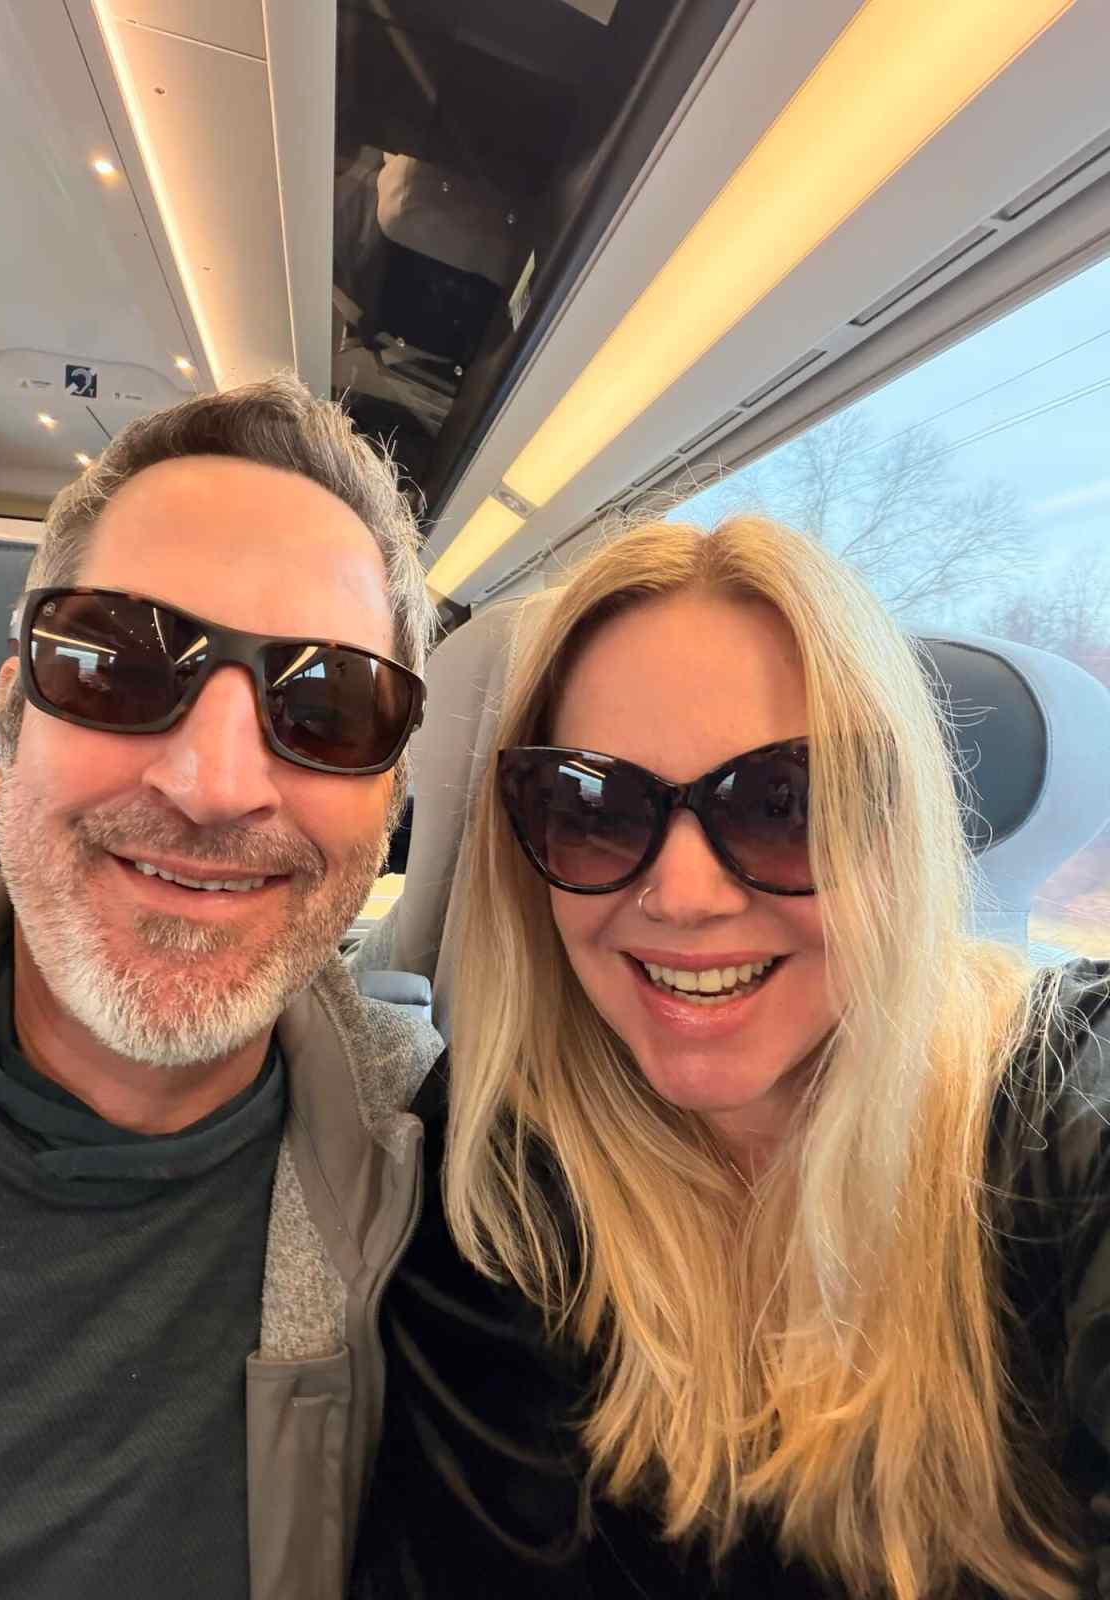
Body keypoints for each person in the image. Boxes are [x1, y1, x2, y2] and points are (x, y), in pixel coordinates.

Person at [351, 517, 1110, 1600]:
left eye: (781, 804)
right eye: (593, 808)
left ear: (892, 832)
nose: (684, 894)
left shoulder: (1063, 1112)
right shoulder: (505, 1182)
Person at [0, 376, 442, 1600]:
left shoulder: (453, 1176)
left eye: (327, 706)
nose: (214, 783)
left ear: (388, 807)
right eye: (119, 666)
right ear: (9, 730)